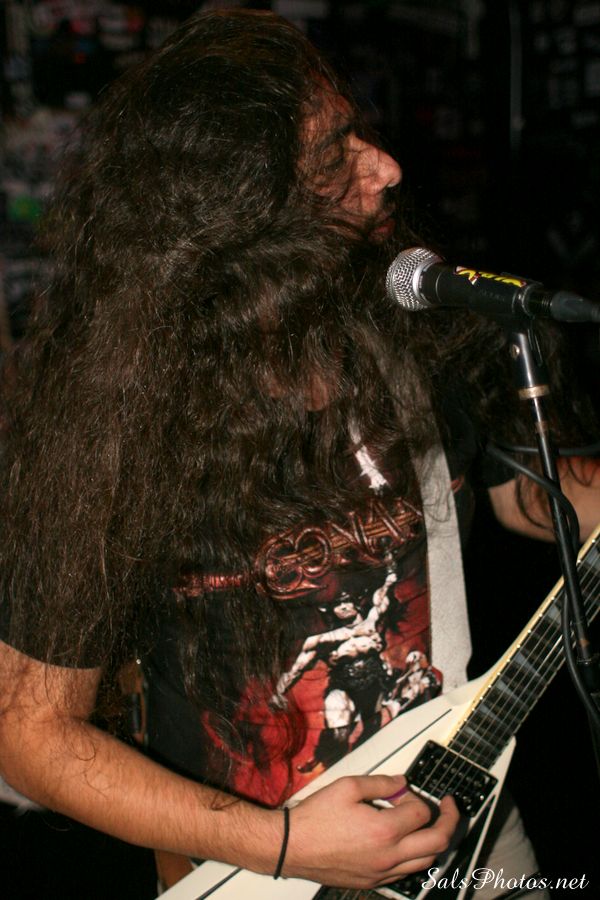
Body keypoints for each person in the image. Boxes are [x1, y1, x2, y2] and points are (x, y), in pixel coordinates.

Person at [0, 9, 598, 899]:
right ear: (239, 211)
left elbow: (531, 495)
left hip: (466, 808)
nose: (385, 167)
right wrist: (284, 843)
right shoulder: (121, 416)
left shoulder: (415, 328)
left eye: (363, 135)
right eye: (333, 158)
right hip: (253, 861)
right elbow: (30, 734)